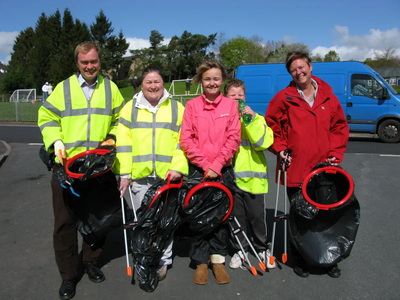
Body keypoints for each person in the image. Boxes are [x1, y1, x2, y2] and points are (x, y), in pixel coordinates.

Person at [37, 41, 125, 300]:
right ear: (77, 63)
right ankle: (68, 276)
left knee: (97, 221)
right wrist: (56, 141)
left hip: (98, 169)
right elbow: (46, 116)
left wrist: (112, 135)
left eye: (94, 61)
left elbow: (121, 119)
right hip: (66, 169)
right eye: (85, 62)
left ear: (100, 61)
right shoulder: (63, 88)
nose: (90, 66)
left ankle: (91, 263)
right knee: (64, 225)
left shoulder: (111, 89)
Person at [265, 51, 349, 278]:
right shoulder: (284, 97)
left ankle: (328, 259)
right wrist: (280, 148)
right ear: (290, 74)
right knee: (301, 216)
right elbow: (271, 125)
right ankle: (300, 258)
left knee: (326, 216)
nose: (298, 72)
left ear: (310, 67)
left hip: (325, 168)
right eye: (293, 70)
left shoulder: (329, 96)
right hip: (297, 167)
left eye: (301, 67)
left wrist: (335, 153)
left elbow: (339, 127)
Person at [115, 65, 188, 281]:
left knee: (165, 222)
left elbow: (184, 142)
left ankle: (163, 260)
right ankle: (145, 257)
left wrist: (177, 166)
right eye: (148, 82)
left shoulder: (177, 108)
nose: (153, 86)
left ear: (163, 83)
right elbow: (124, 143)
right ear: (142, 85)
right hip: (140, 176)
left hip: (168, 176)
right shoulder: (130, 108)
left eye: (156, 81)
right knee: (143, 222)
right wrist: (125, 173)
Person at [180, 59, 241, 285]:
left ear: (222, 80)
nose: (212, 82)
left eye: (216, 78)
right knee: (199, 219)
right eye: (208, 79)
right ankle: (201, 262)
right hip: (199, 171)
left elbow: (234, 138)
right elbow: (186, 139)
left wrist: (217, 165)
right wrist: (206, 165)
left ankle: (217, 261)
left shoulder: (231, 106)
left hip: (223, 171)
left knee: (221, 218)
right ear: (200, 81)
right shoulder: (192, 106)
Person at [223, 79, 275, 270]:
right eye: (232, 96)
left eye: (240, 96)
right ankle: (240, 250)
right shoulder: (223, 119)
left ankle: (262, 248)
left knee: (257, 218)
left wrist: (251, 121)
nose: (237, 99)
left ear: (246, 97)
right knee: (237, 219)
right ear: (225, 97)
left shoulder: (257, 118)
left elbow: (264, 143)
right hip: (232, 179)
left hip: (253, 180)